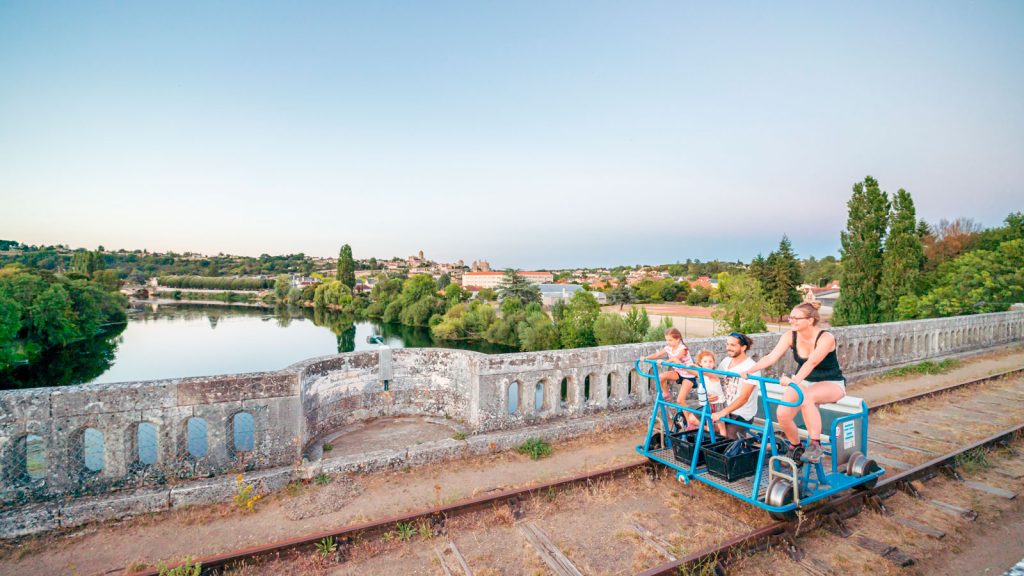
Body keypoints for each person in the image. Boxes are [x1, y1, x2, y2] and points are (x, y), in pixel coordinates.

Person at [739, 301, 845, 463]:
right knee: (782, 413)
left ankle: (815, 445)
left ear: (810, 320)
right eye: (791, 318)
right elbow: (772, 357)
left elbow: (812, 362)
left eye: (796, 318)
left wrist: (793, 381)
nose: (792, 321)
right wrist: (749, 370)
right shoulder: (790, 336)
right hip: (803, 381)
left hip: (830, 382)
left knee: (807, 398)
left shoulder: (826, 338)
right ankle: (796, 446)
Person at [711, 333, 762, 439]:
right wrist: (712, 394)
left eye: (733, 345)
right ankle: (746, 438)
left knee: (728, 440)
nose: (728, 348)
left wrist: (722, 413)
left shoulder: (751, 367)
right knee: (693, 418)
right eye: (727, 344)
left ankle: (757, 442)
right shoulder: (726, 361)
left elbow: (744, 397)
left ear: (743, 347)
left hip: (740, 414)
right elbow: (717, 380)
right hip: (723, 406)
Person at [644, 327, 695, 402]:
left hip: (688, 374)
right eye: (667, 340)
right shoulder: (668, 348)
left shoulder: (683, 349)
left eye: (670, 340)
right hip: (679, 373)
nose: (668, 342)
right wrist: (645, 358)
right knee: (661, 376)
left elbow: (675, 358)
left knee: (680, 401)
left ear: (678, 339)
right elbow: (656, 354)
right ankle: (666, 393)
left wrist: (664, 362)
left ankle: (688, 414)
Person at [685, 350, 725, 434]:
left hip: (718, 404)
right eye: (705, 361)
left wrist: (697, 366)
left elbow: (705, 373)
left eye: (711, 361)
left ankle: (723, 443)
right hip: (709, 403)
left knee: (722, 427)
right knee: (694, 418)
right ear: (701, 363)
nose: (708, 363)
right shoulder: (703, 375)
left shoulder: (713, 374)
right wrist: (682, 364)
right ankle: (709, 430)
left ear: (714, 363)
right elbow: (690, 371)